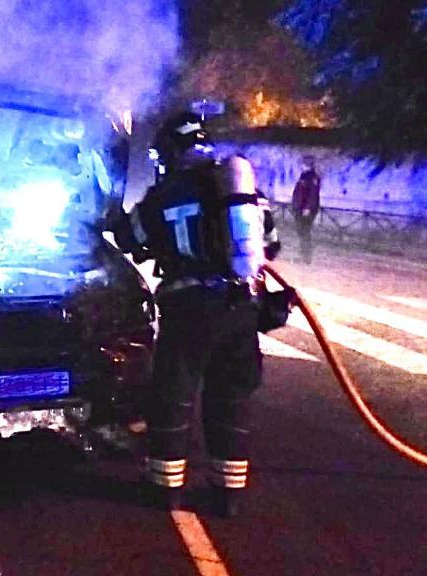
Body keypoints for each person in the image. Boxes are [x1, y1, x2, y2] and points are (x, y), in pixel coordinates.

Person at [108, 111, 272, 518]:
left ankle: (165, 489)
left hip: (188, 308)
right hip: (240, 307)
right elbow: (270, 243)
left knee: (172, 395)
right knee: (230, 398)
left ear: (171, 149)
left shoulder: (164, 196)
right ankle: (227, 495)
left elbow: (130, 238)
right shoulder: (241, 191)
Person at [291, 156, 321, 264]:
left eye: (303, 164)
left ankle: (306, 258)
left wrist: (308, 208)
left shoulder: (312, 177)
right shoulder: (304, 176)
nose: (301, 166)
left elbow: (313, 194)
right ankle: (303, 256)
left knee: (305, 233)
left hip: (306, 210)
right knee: (301, 232)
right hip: (300, 208)